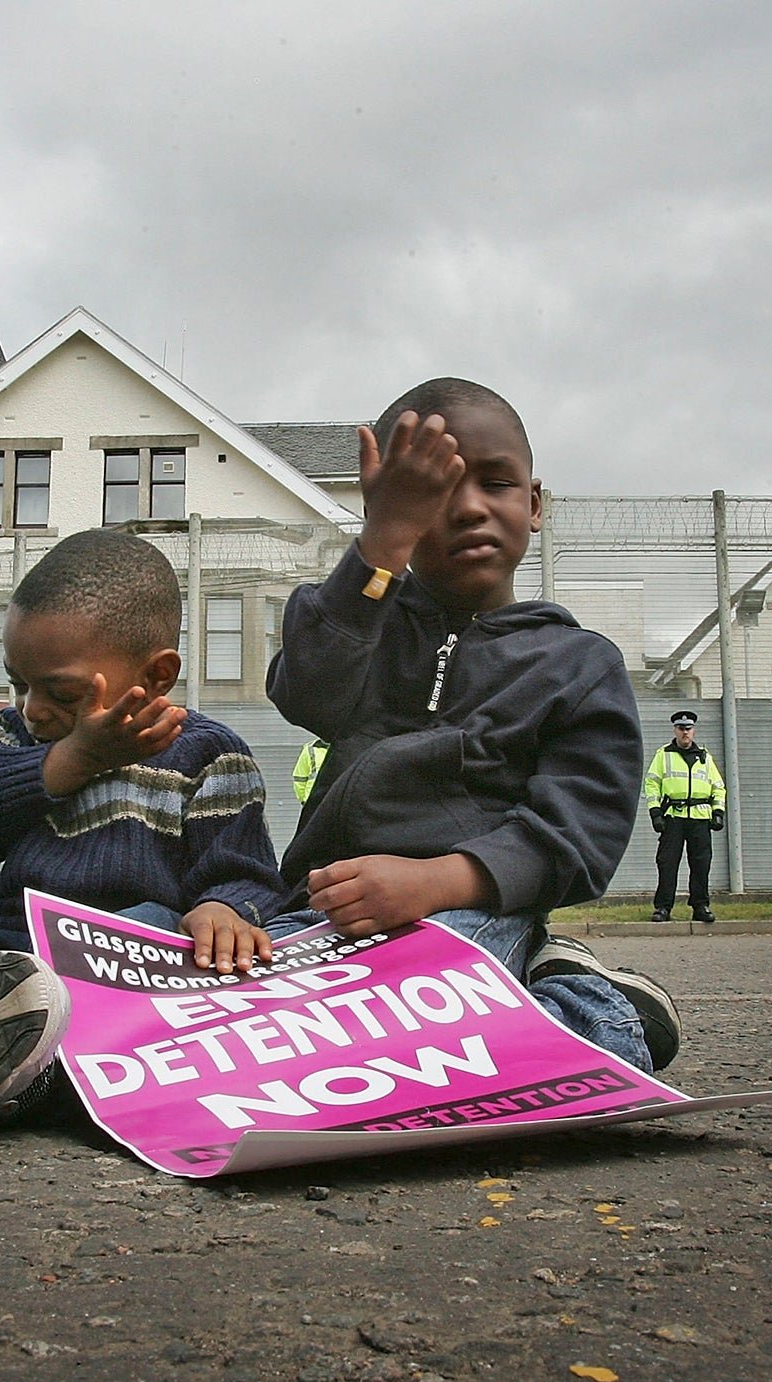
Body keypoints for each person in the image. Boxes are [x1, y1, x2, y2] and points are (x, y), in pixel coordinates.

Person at [264, 378, 681, 1073]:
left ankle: (591, 1006)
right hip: (319, 914)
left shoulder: (577, 665)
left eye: (496, 483)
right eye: (433, 494)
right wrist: (382, 544)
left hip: (461, 915)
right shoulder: (363, 625)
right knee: (252, 1027)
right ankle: (535, 994)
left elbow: (577, 836)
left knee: (416, 1045)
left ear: (536, 503)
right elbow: (306, 692)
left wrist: (433, 883)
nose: (468, 510)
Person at [0, 529, 288, 1135]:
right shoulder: (19, 738)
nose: (33, 706)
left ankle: (29, 1073)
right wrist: (70, 760)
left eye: (59, 691)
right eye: (19, 683)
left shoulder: (210, 754)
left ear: (158, 674)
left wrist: (225, 905)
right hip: (10, 954)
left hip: (128, 964)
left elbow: (245, 868)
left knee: (151, 914)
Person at [644, 709, 725, 923]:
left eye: (688, 729)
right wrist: (655, 813)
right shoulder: (664, 755)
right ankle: (663, 907)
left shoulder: (705, 757)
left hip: (700, 817)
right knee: (667, 863)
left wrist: (718, 812)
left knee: (701, 864)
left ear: (694, 731)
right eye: (681, 729)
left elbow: (718, 786)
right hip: (673, 817)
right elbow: (652, 783)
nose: (685, 733)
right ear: (675, 730)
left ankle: (701, 906)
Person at [292, 738, 328, 803]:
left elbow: (299, 779)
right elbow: (299, 778)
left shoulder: (345, 747)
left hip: (315, 800)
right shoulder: (309, 749)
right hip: (314, 801)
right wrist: (304, 800)